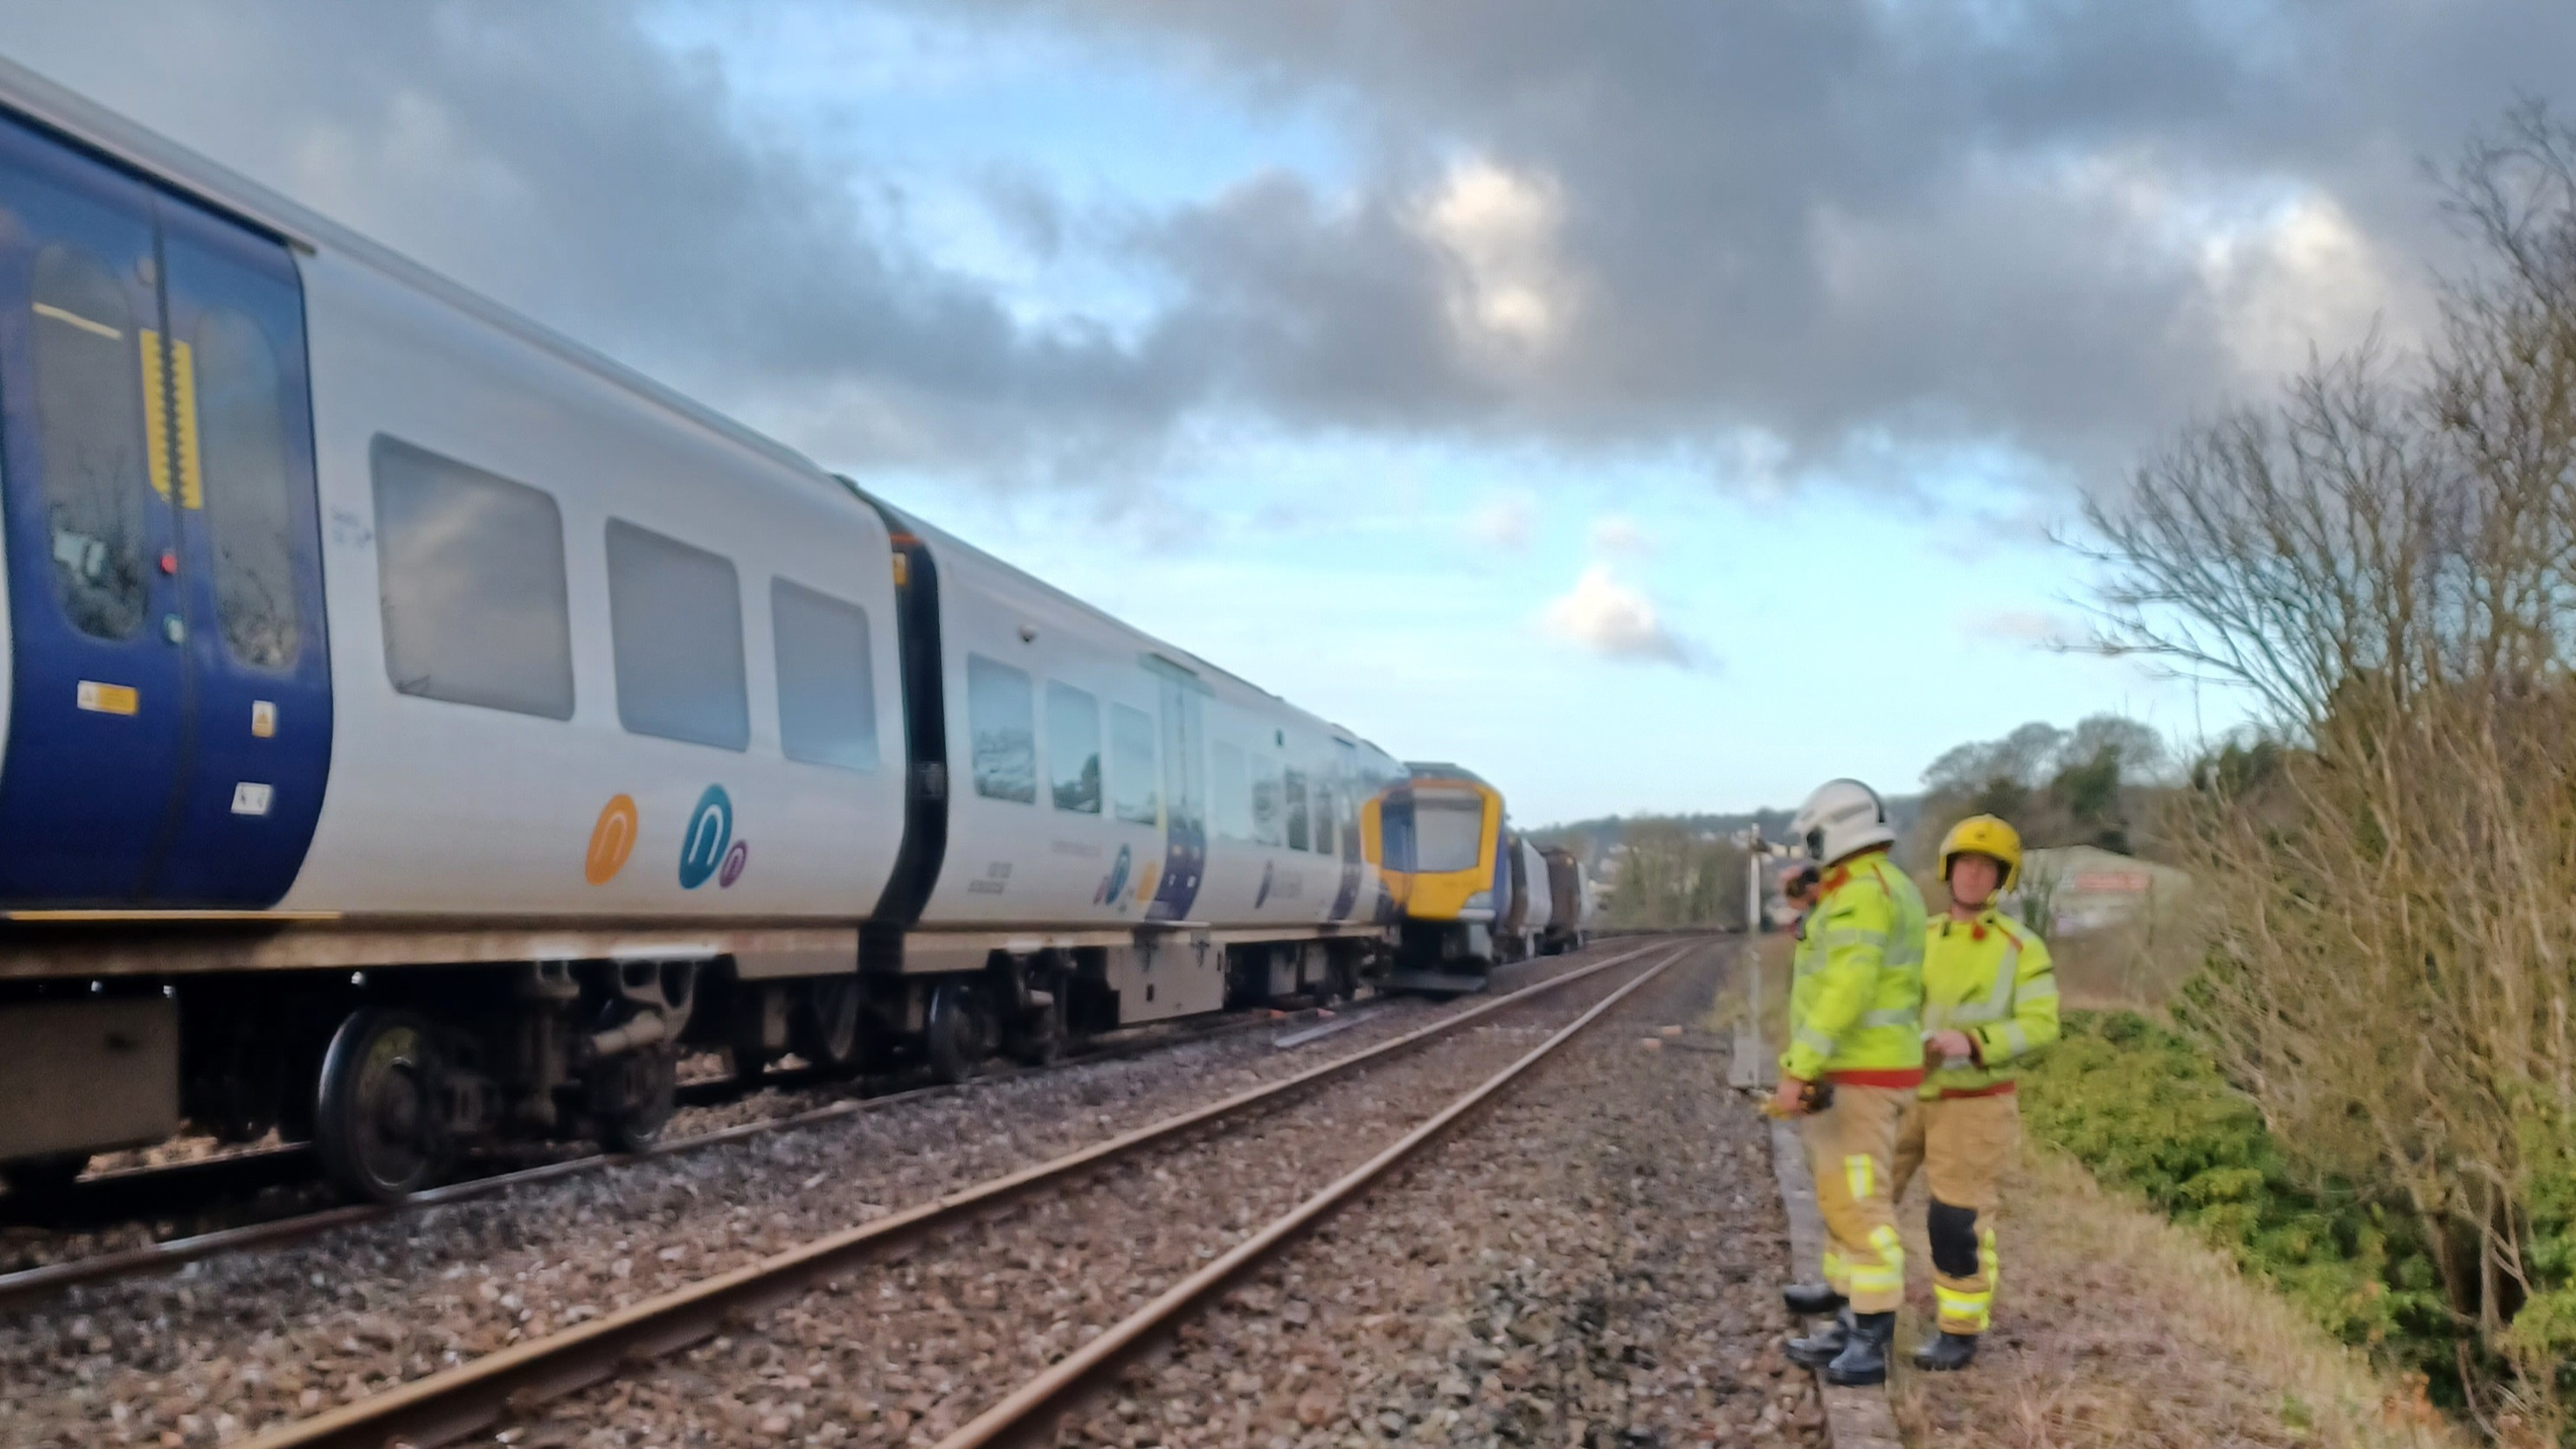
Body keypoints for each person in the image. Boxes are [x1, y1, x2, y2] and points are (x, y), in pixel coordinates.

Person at [1773, 778, 1927, 1387]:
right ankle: (1846, 1317)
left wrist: (1799, 1065)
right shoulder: (1874, 888)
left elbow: (1846, 988)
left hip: (1860, 1071)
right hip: (1862, 1068)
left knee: (1860, 1204)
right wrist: (1810, 904)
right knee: (1841, 1198)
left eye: (1813, 840)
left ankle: (1870, 1339)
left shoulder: (1863, 895)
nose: (1811, 853)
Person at [1892, 814, 2060, 1371]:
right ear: (1948, 870)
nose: (1972, 875)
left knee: (1955, 1222)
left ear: (2001, 879)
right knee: (1862, 1195)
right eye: (1965, 863)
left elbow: (2041, 1025)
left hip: (1973, 1106)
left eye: (1985, 867)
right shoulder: (1920, 938)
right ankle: (1848, 1302)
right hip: (1907, 1096)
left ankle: (1958, 1330)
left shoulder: (2021, 948)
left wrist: (1972, 1041)